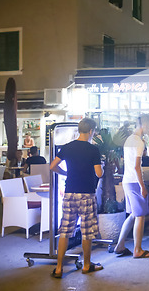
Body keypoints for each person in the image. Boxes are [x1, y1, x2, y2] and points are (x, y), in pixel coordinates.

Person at [50, 118, 104, 278]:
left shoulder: (67, 147)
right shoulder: (93, 150)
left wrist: (65, 173)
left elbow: (53, 166)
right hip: (87, 194)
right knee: (87, 232)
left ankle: (59, 268)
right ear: (91, 131)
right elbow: (99, 173)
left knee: (65, 230)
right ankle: (87, 266)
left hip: (70, 193)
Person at [112, 114, 149, 259]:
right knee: (141, 215)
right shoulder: (138, 142)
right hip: (134, 182)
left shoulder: (130, 139)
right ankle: (138, 249)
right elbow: (137, 167)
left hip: (127, 181)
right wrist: (143, 186)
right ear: (145, 124)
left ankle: (120, 245)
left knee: (133, 215)